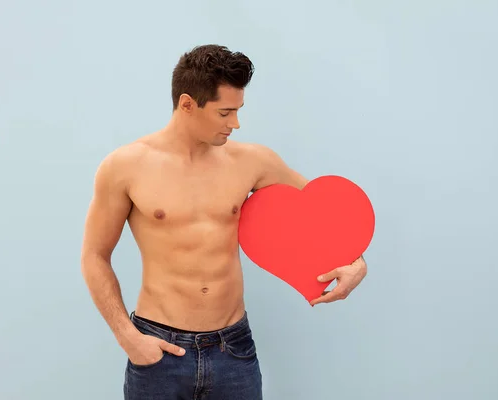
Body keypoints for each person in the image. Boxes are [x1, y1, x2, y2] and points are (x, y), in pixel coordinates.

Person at [80, 44, 368, 400]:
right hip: (158, 348)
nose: (236, 124)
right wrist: (128, 337)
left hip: (233, 349)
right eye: (225, 113)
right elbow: (95, 255)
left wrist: (357, 262)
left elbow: (328, 213)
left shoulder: (252, 161)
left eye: (238, 111)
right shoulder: (125, 167)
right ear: (187, 104)